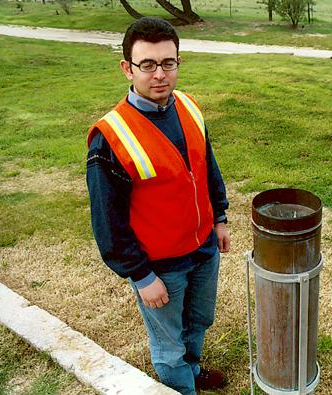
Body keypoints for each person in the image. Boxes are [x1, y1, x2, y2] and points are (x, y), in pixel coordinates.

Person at [86, 17, 230, 394]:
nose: (159, 74)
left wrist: (221, 218)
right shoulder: (110, 138)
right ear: (127, 69)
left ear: (178, 62)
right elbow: (107, 221)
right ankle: (181, 387)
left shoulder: (188, 106)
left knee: (199, 321)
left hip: (203, 248)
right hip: (160, 267)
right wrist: (140, 275)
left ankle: (193, 370)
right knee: (168, 344)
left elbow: (206, 167)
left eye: (168, 63)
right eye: (147, 65)